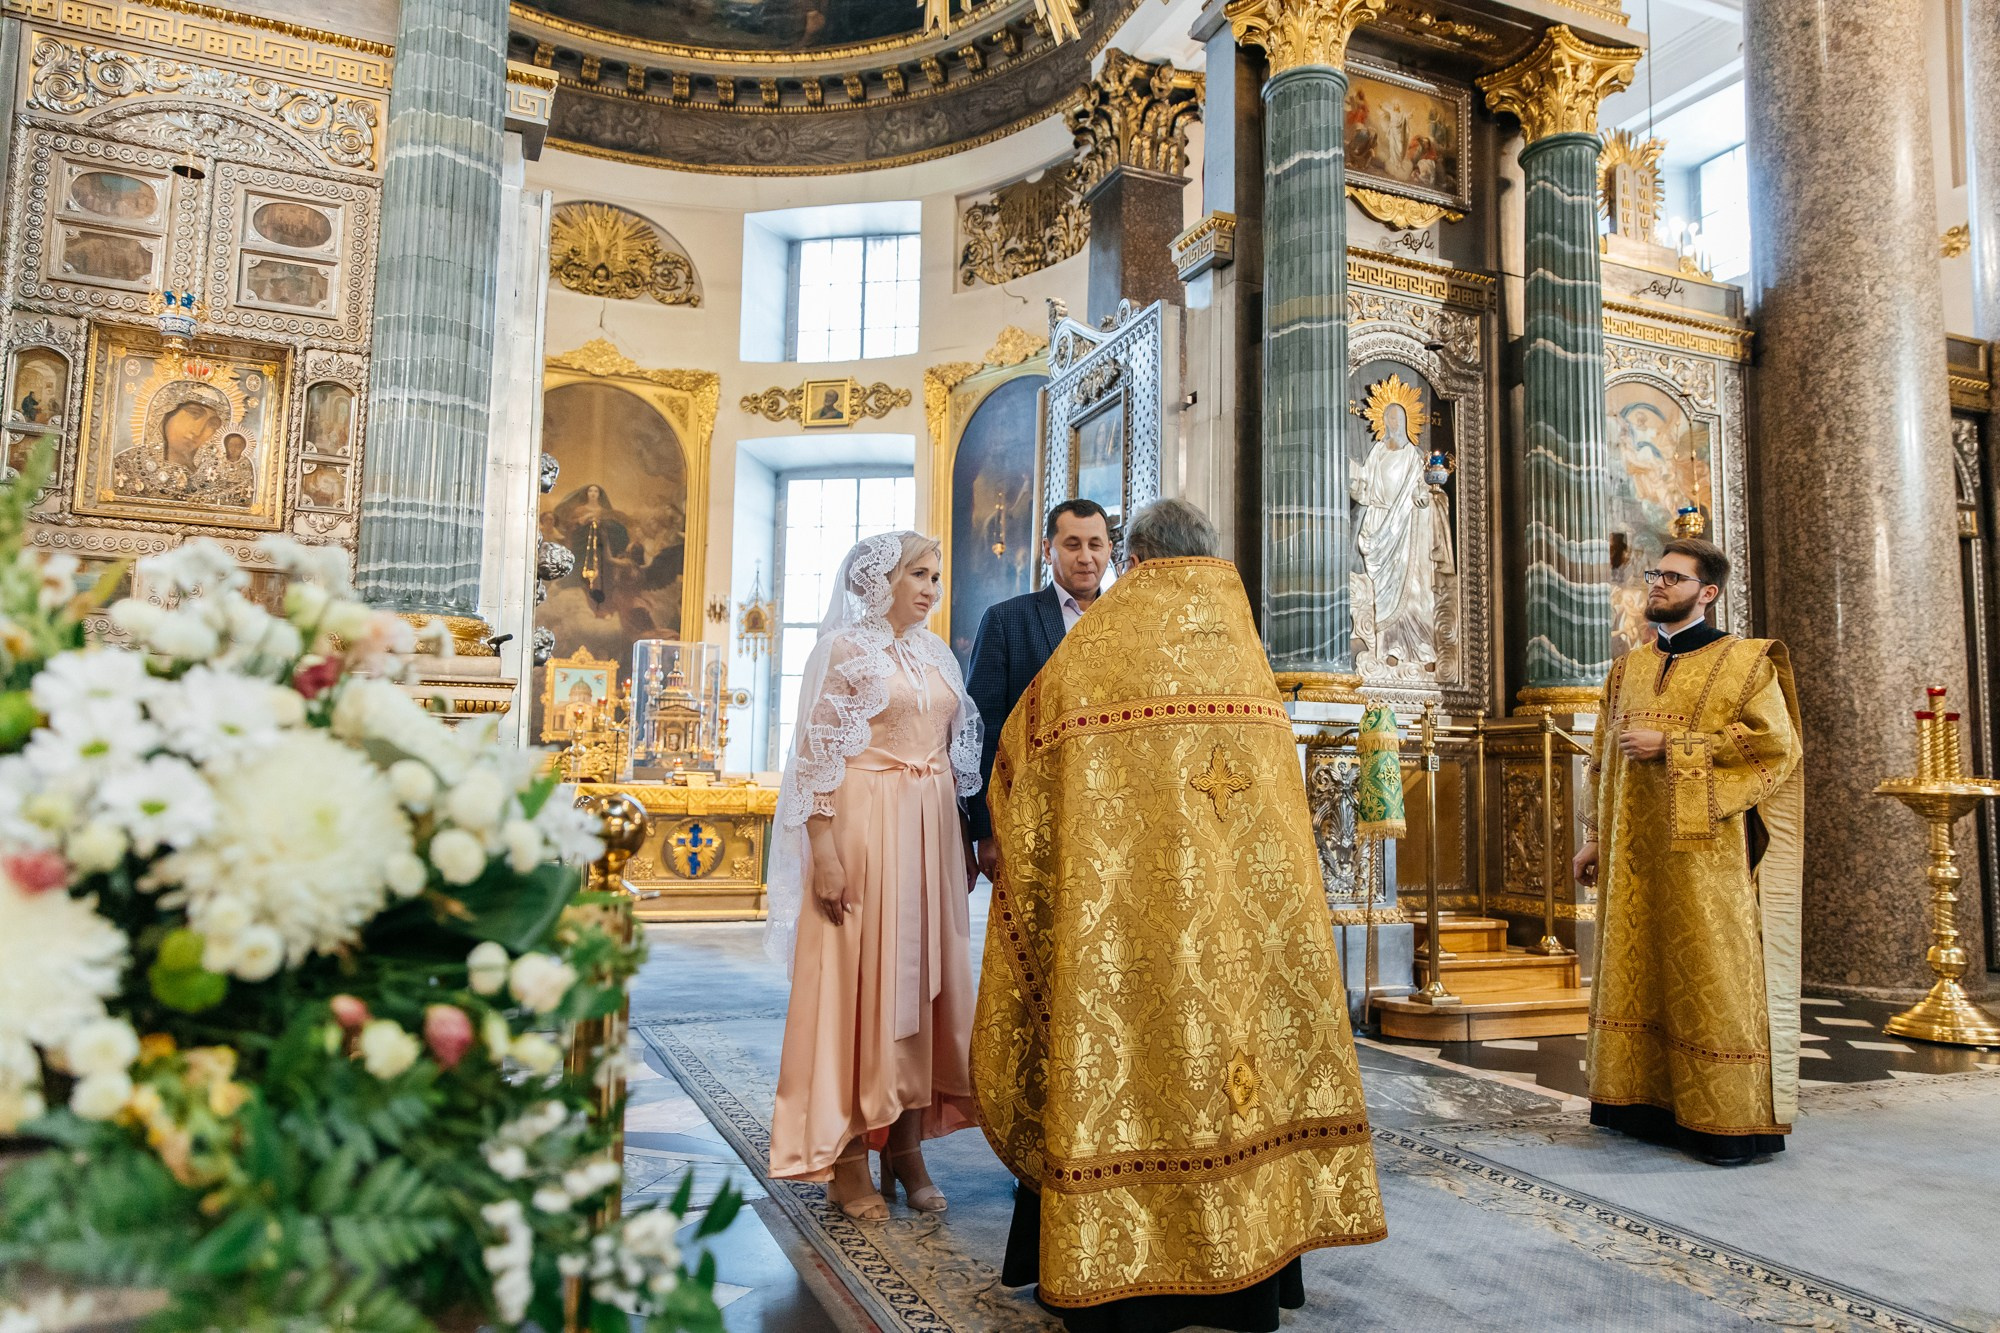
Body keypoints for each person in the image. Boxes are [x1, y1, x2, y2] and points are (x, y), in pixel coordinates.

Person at [973, 498, 1386, 1332]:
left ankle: (1126, 1273)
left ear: (1135, 555)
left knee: (1135, 1066)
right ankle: (1250, 1271)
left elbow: (1020, 756)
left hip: (1129, 928)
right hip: (1243, 927)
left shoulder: (1098, 653)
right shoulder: (1244, 652)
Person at [767, 531, 983, 1221]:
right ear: (879, 579)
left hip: (929, 829)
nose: (929, 588)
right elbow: (815, 758)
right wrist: (823, 849)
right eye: (916, 574)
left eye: (936, 577)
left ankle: (909, 1145)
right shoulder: (846, 649)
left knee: (926, 984)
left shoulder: (935, 653)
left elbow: (954, 745)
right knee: (863, 981)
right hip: (864, 826)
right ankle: (850, 1154)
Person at [1572, 536, 1805, 1165]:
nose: (1657, 586)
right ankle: (1636, 1103)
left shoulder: (1747, 663)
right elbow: (1600, 759)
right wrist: (1592, 838)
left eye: (1673, 578)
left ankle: (1720, 1118)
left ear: (1709, 592)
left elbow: (1774, 747)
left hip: (1707, 861)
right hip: (1631, 853)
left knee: (1710, 970)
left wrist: (1675, 746)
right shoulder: (1627, 669)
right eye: (1654, 575)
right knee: (1634, 963)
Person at [964, 498, 1111, 883]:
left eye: (1095, 545)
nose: (1085, 557)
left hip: (1112, 815)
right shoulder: (1006, 620)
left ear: (1110, 549)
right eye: (1072, 544)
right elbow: (982, 729)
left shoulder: (1130, 620)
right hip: (1031, 816)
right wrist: (985, 830)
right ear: (1048, 549)